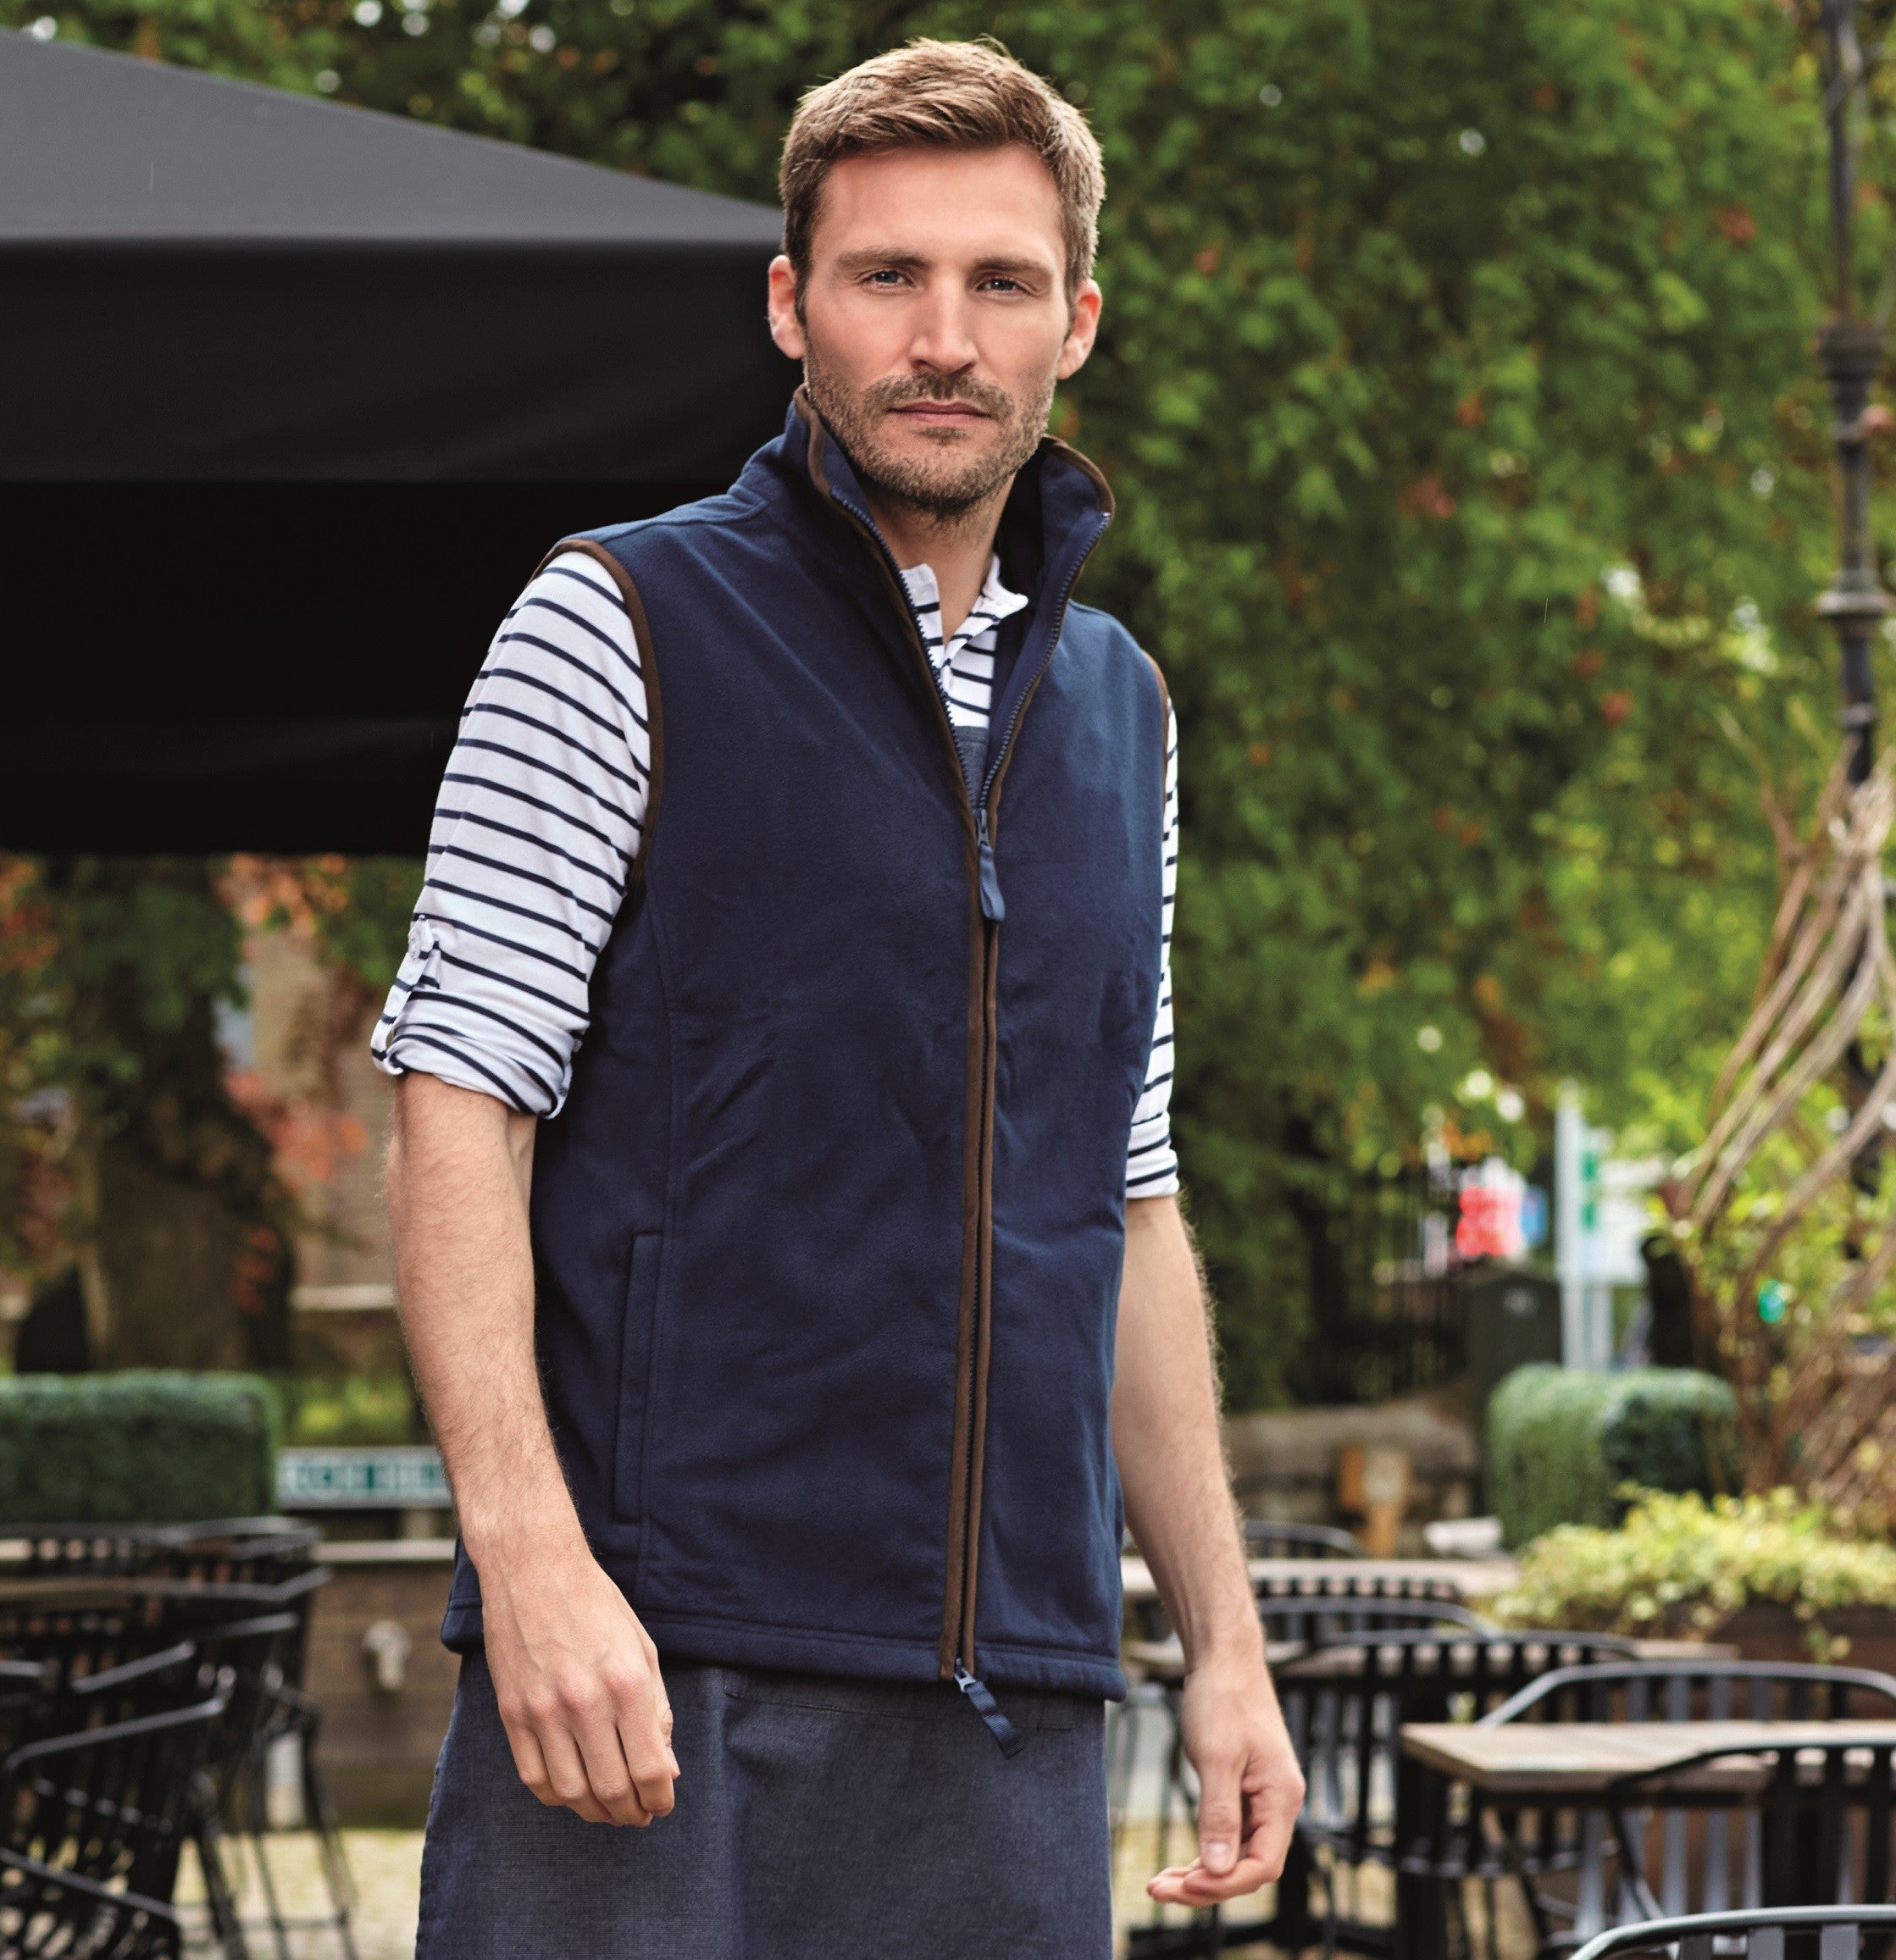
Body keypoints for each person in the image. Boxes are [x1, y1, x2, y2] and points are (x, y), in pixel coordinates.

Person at [376, 37, 1303, 1957]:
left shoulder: (1120, 714)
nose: (944, 338)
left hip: (1011, 1701)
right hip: (651, 1675)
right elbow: (457, 1098)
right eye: (889, 276)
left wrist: (1222, 1642)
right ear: (794, 306)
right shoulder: (616, 622)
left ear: (1076, 326)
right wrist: (527, 1558)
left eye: (1001, 282)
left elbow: (1125, 1197)